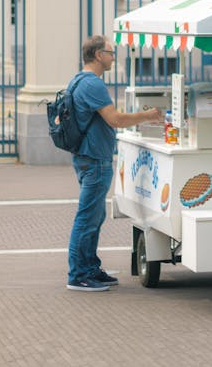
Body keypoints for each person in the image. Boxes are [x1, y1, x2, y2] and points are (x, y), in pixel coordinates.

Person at [67, 34, 163, 292]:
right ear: (99, 55)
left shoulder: (78, 80)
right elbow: (116, 119)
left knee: (94, 216)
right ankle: (78, 275)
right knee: (87, 217)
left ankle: (89, 268)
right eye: (110, 52)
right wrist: (148, 115)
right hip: (95, 159)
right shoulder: (93, 84)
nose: (112, 57)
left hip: (87, 156)